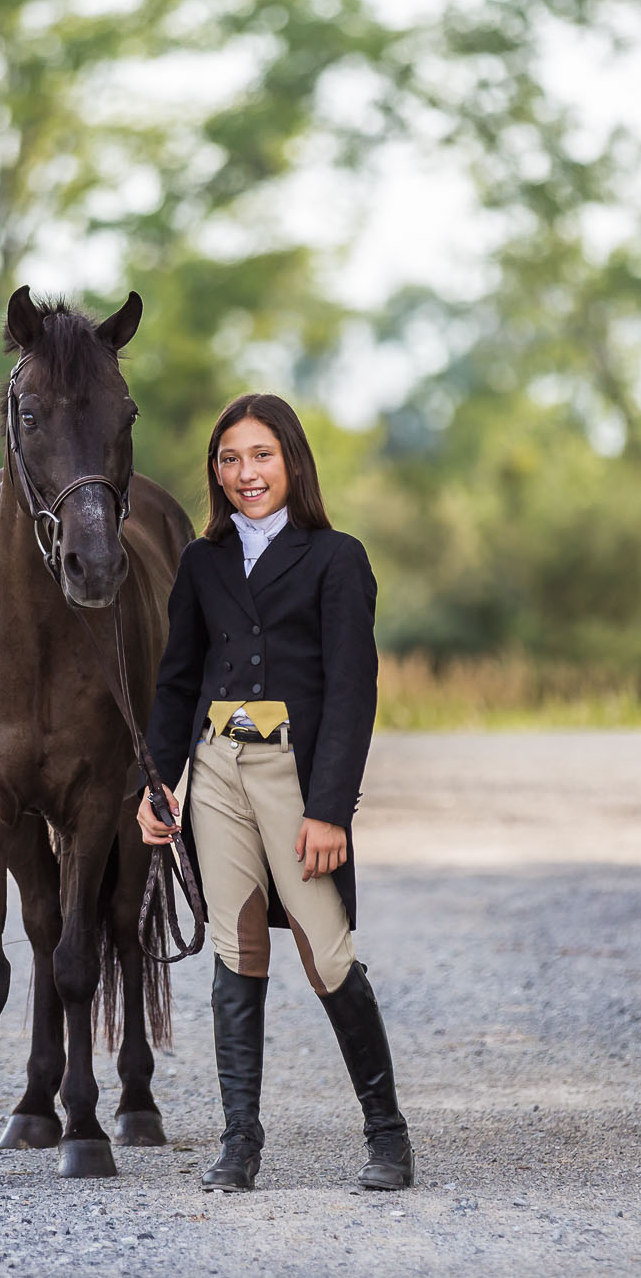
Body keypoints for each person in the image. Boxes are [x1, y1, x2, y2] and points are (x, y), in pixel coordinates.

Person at [136, 392, 413, 1193]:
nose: (244, 473)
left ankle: (388, 1135)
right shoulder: (202, 564)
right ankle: (239, 1142)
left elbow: (354, 694)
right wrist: (158, 784)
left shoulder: (337, 558)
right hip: (217, 770)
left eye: (260, 455)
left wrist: (331, 810)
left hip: (296, 775)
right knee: (235, 946)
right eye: (229, 459)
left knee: (327, 951)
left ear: (291, 460)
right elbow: (176, 683)